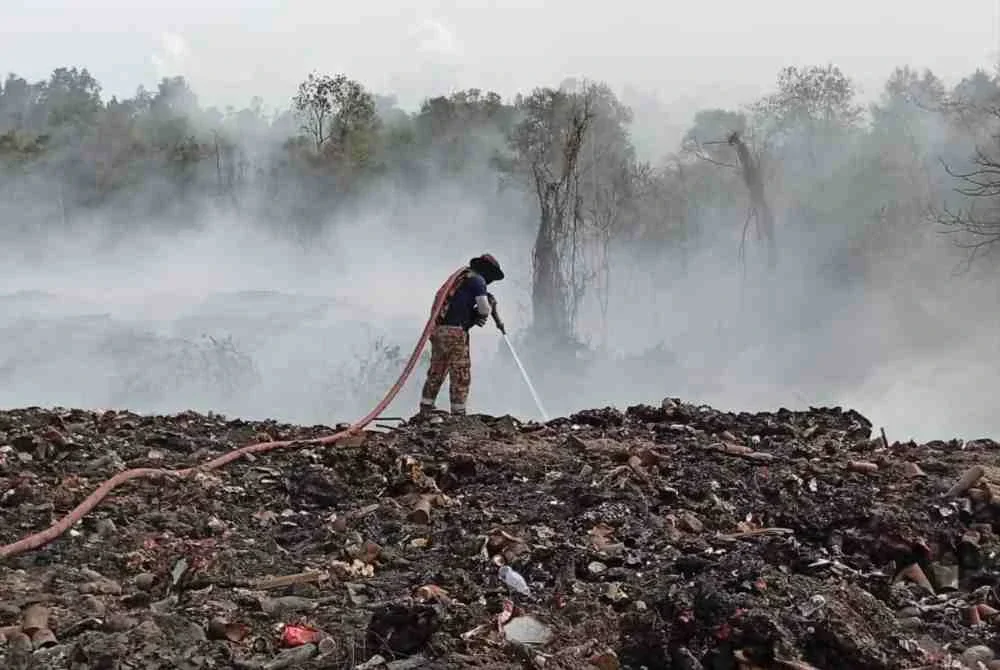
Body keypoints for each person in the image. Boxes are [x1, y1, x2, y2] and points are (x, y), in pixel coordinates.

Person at [419, 254, 505, 416]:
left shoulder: (460, 279)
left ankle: (426, 407)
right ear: (487, 271)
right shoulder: (477, 280)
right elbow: (485, 309)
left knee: (437, 370)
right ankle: (458, 414)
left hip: (438, 330)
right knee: (460, 372)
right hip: (455, 332)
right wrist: (479, 316)